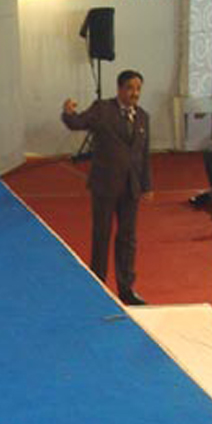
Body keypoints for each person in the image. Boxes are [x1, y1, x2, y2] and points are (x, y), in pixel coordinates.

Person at [61, 69, 151, 305]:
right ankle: (98, 285)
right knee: (101, 235)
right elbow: (78, 122)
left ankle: (126, 288)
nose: (134, 93)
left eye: (138, 89)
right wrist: (68, 113)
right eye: (130, 88)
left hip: (131, 187)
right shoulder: (102, 109)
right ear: (119, 89)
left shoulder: (143, 116)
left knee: (128, 239)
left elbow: (144, 154)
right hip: (105, 185)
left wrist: (146, 185)